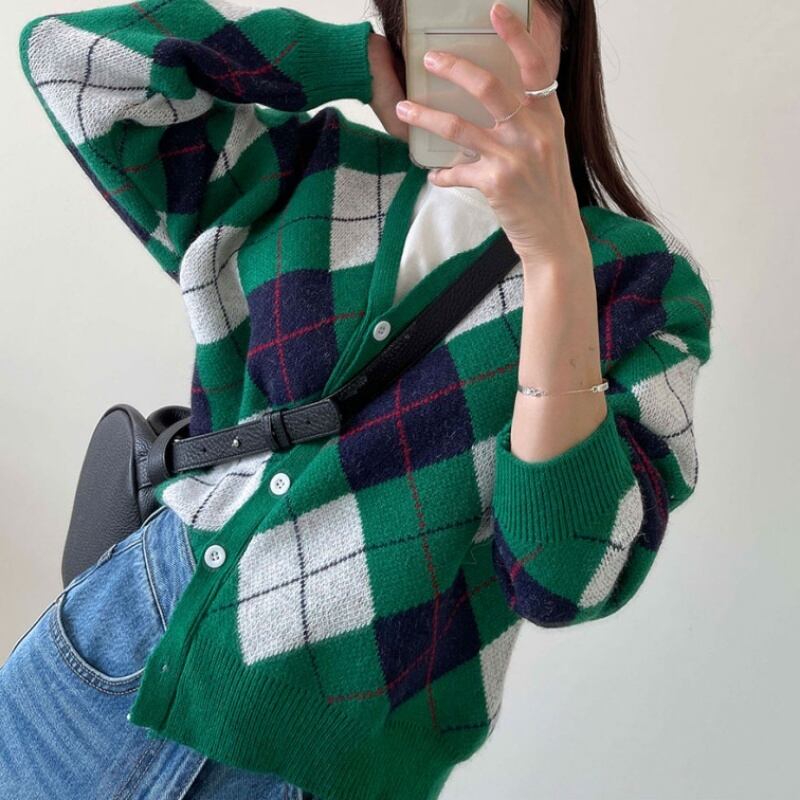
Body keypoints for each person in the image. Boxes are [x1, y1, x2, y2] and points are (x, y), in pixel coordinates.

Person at [1, 1, 714, 799]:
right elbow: (69, 60)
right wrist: (344, 60)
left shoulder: (642, 287)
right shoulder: (303, 167)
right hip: (116, 653)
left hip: (327, 769)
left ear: (565, 26)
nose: (474, 22)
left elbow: (567, 575)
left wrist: (554, 257)